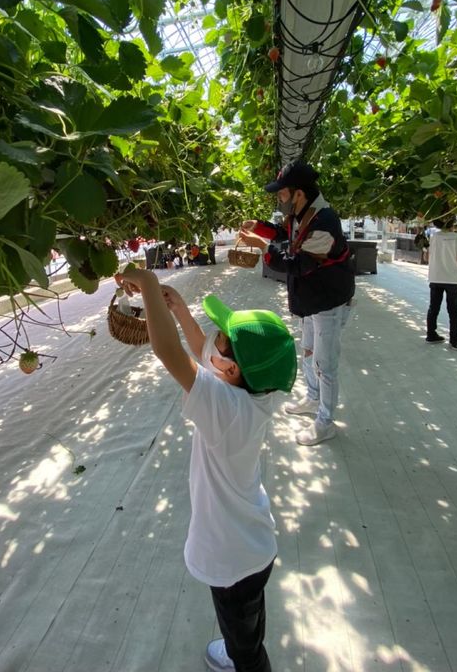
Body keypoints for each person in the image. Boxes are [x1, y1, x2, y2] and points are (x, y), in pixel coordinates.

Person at [113, 266, 297, 672]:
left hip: (231, 559)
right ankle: (240, 651)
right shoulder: (251, 395)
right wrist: (179, 310)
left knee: (247, 645)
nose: (213, 339)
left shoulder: (225, 409)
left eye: (223, 339)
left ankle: (245, 661)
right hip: (252, 548)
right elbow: (202, 354)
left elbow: (169, 352)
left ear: (230, 370)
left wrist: (145, 285)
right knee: (247, 623)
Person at [239, 160, 355, 446]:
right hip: (311, 299)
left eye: (281, 194)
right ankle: (313, 398)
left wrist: (262, 247)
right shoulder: (304, 213)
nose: (279, 200)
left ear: (298, 193)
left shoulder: (324, 223)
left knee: (325, 364)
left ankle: (325, 422)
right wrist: (261, 228)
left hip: (327, 300)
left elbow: (298, 264)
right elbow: (283, 232)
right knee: (308, 351)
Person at [425, 215, 457, 350]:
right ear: (453, 224)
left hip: (435, 277)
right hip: (453, 278)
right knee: (453, 310)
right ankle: (455, 341)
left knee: (433, 308)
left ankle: (431, 334)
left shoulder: (433, 237)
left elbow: (427, 257)